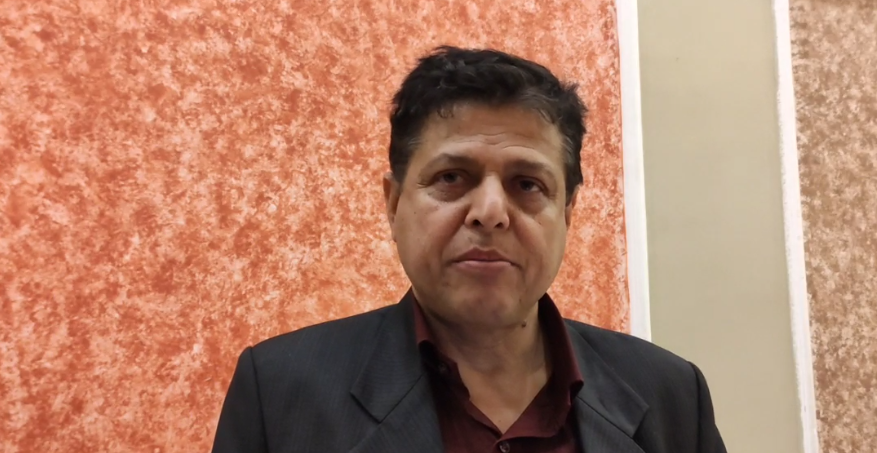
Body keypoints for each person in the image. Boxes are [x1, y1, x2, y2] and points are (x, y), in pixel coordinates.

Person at [211, 46, 727, 453]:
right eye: (452, 177)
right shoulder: (278, 393)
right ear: (393, 204)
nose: (490, 211)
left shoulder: (672, 396)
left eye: (527, 184)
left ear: (568, 214)